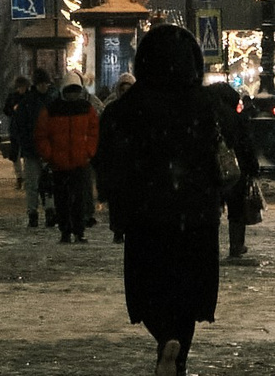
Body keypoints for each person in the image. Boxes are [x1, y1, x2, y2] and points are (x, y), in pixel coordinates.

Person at [97, 25, 227, 376]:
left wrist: (116, 204)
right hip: (196, 217)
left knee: (149, 288)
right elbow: (227, 154)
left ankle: (164, 338)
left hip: (146, 217)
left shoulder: (127, 109)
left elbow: (109, 162)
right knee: (188, 293)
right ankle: (177, 358)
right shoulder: (206, 105)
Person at [35, 74, 100, 242]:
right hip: (66, 162)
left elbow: (94, 133)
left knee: (76, 199)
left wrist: (87, 152)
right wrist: (51, 155)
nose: (73, 95)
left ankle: (75, 231)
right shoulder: (83, 108)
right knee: (64, 200)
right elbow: (42, 135)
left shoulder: (55, 109)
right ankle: (69, 231)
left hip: (73, 162)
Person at [207, 77, 260, 263]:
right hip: (237, 169)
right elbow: (247, 145)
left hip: (211, 169)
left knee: (212, 208)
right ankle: (236, 245)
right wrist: (253, 168)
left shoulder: (208, 118)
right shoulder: (236, 119)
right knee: (236, 208)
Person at [13, 69, 56, 225]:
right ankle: (36, 211)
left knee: (44, 182)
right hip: (36, 149)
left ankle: (44, 210)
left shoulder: (29, 102)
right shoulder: (45, 101)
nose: (44, 86)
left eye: (45, 83)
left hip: (41, 149)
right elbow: (21, 127)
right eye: (41, 84)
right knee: (35, 182)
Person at [1, 73, 36, 182]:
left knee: (26, 153)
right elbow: (6, 110)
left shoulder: (29, 97)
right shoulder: (13, 97)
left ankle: (25, 175)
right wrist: (13, 110)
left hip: (25, 129)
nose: (21, 89)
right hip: (16, 128)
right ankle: (19, 176)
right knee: (16, 154)